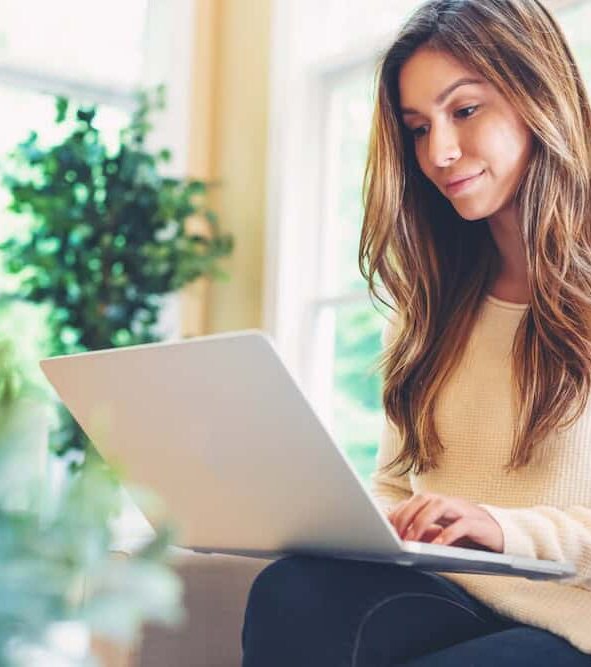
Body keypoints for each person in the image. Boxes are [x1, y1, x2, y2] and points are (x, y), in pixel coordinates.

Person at [241, 0, 591, 664]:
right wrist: (345, 517)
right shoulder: (432, 305)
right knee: (289, 591)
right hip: (456, 596)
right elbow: (399, 484)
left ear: (537, 94)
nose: (439, 151)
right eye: (416, 126)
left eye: (464, 111)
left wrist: (503, 528)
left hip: (576, 617)